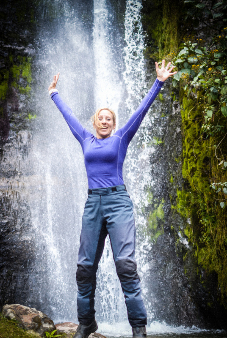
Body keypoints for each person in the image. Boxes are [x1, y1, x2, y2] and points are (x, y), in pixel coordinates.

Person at [48, 60, 177, 338]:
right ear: (95, 122)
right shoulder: (85, 139)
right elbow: (69, 116)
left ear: (114, 123)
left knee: (125, 265)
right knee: (84, 268)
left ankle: (138, 327)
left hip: (118, 202)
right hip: (93, 203)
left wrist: (159, 82)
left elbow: (141, 111)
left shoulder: (121, 138)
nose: (104, 121)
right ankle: (86, 322)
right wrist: (54, 94)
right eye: (100, 118)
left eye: (109, 118)